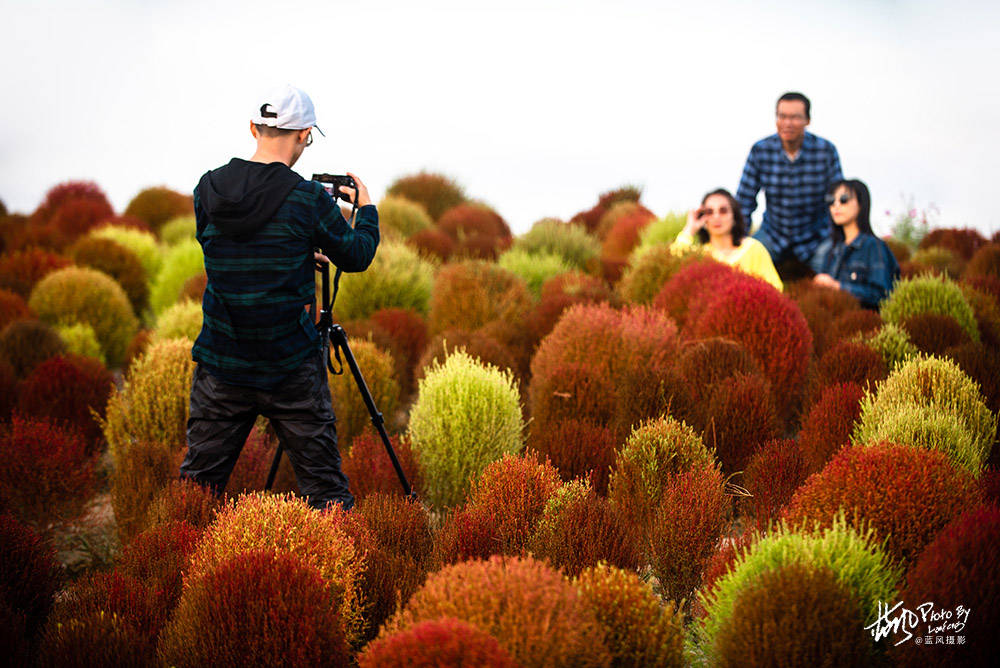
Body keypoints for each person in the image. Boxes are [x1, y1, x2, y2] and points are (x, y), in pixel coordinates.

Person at [179, 84, 379, 511]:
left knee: (196, 491)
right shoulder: (307, 199)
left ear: (254, 127)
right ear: (305, 134)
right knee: (326, 495)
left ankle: (169, 566)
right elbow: (357, 255)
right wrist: (367, 210)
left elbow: (222, 250)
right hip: (289, 366)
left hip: (221, 362)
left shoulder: (206, 189)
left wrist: (293, 249)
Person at [736, 92, 844, 271]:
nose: (787, 123)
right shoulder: (761, 151)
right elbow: (744, 201)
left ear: (807, 120)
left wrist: (841, 236)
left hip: (816, 238)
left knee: (833, 274)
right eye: (782, 116)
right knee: (745, 267)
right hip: (773, 235)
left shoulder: (826, 151)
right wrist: (738, 240)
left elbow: (838, 199)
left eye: (795, 117)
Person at [810, 178, 899, 309]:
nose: (836, 205)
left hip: (866, 324)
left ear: (861, 204)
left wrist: (837, 286)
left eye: (844, 199)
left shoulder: (874, 247)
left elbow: (882, 294)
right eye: (831, 201)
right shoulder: (831, 251)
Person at [673, 188, 783, 291]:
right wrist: (690, 229)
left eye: (723, 211)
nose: (716, 217)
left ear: (734, 216)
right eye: (709, 212)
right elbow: (673, 262)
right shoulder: (700, 255)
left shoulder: (753, 248)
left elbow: (775, 288)